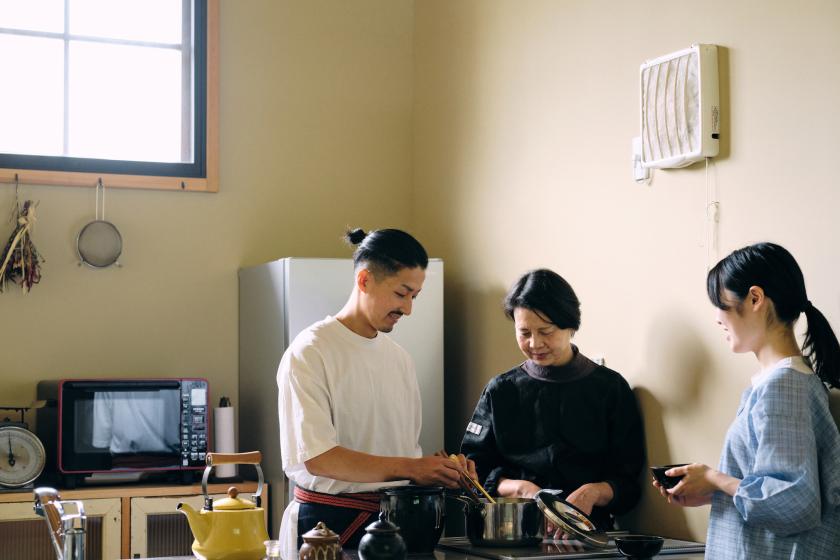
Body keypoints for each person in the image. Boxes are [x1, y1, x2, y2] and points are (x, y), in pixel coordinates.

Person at [277, 228, 474, 550]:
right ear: (365, 280)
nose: (408, 308)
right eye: (401, 293)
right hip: (326, 529)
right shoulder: (311, 351)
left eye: (415, 296)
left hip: (397, 524)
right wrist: (412, 467)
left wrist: (440, 470)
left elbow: (401, 456)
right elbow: (318, 458)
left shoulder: (399, 359)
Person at [654, 242, 840, 559]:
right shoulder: (785, 382)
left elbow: (794, 502)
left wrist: (714, 478)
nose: (716, 317)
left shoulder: (784, 386)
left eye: (720, 303)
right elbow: (780, 492)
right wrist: (715, 492)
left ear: (755, 298)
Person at [461, 269, 645, 532]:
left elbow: (628, 483)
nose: (535, 343)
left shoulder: (610, 389)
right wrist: (522, 490)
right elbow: (471, 473)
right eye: (524, 333)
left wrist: (591, 494)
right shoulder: (501, 390)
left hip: (588, 536)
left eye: (545, 331)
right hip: (512, 532)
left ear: (570, 325)